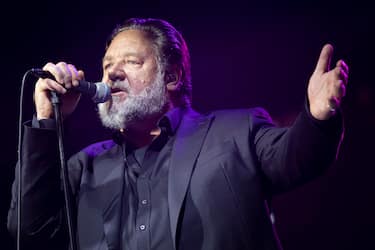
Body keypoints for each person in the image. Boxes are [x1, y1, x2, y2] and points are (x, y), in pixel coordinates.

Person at [7, 18, 348, 250]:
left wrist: (316, 116)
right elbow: (29, 229)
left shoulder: (235, 133)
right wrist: (47, 121)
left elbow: (299, 157)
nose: (112, 75)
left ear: (171, 76)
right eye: (107, 66)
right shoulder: (85, 168)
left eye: (131, 62)